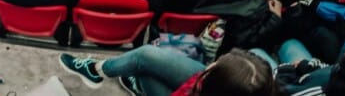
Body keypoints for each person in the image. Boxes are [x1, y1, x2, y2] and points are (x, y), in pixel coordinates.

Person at [59, 46, 276, 96]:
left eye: (214, 68)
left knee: (142, 71)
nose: (210, 64)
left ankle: (139, 84)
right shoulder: (260, 82)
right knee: (144, 57)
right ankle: (96, 70)